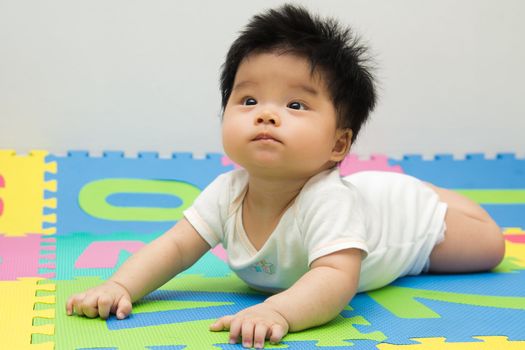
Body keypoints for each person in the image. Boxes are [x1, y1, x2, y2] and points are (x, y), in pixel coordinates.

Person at [66, 4, 505, 349]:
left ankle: (436, 195)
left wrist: (279, 311)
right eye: (249, 99)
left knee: (490, 247)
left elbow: (336, 277)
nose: (267, 115)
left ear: (338, 145)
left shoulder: (327, 200)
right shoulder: (227, 193)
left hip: (409, 220)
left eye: (295, 105)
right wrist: (120, 285)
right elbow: (177, 246)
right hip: (372, 194)